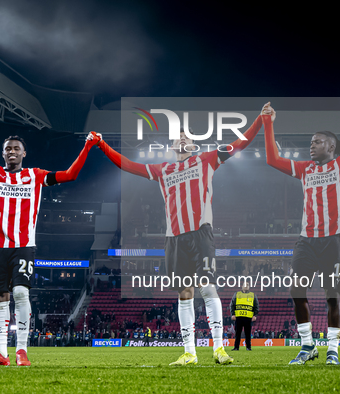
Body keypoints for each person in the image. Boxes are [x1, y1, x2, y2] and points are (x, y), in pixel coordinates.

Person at [94, 107, 265, 365]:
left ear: (194, 144)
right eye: (178, 136)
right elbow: (128, 165)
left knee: (208, 288)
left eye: (187, 136)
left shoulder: (207, 159)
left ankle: (219, 349)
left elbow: (240, 144)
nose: (183, 139)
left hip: (201, 235)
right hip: (174, 240)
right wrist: (103, 145)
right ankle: (189, 353)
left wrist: (259, 120)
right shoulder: (163, 170)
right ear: (172, 144)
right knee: (184, 293)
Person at [0, 116, 100, 366]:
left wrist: (86, 147)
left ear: (24, 153)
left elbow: (70, 175)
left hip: (23, 244)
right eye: (8, 148)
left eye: (16, 148)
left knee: (20, 292)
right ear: (3, 153)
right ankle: (1, 353)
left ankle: (22, 350)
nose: (11, 152)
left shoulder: (35, 176)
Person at [263, 85, 340, 366]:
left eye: (317, 141)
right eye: (311, 141)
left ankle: (332, 349)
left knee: (333, 297)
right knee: (296, 292)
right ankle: (308, 345)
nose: (311, 144)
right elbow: (272, 159)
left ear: (331, 146)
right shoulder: (305, 169)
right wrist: (267, 123)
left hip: (336, 239)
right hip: (306, 240)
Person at [230, 282, 258, 351]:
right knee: (237, 333)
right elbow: (232, 305)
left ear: (249, 287)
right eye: (245, 285)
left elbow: (256, 306)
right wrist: (233, 314)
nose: (246, 286)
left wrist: (255, 315)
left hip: (248, 317)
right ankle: (236, 347)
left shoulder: (253, 295)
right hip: (238, 317)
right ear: (242, 286)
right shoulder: (237, 294)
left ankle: (248, 347)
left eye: (247, 285)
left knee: (248, 333)